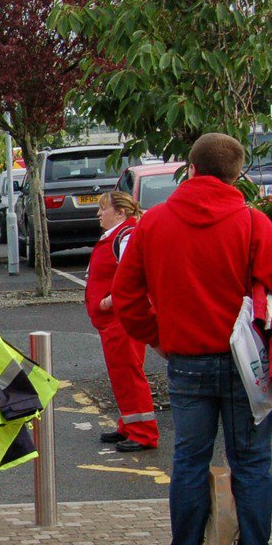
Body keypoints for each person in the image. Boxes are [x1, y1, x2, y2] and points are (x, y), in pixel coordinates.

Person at [113, 132, 272, 545]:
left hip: (185, 358)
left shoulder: (154, 224)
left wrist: (158, 337)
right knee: (252, 464)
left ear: (191, 166)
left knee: (188, 460)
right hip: (249, 366)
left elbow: (125, 297)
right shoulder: (252, 223)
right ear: (237, 175)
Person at [85, 191, 159, 453]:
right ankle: (129, 425)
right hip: (112, 321)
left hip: (121, 320)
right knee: (121, 374)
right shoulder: (121, 235)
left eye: (103, 209)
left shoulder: (126, 236)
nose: (98, 214)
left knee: (129, 373)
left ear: (121, 213)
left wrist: (112, 300)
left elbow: (138, 275)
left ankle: (144, 432)